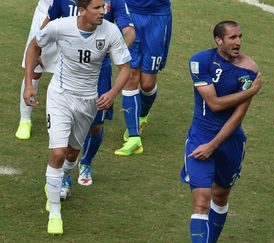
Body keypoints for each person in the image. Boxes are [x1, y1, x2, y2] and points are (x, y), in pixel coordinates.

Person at [23, 0, 131, 235]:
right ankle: (54, 212)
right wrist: (29, 85)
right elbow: (33, 46)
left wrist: (112, 93)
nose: (103, 11)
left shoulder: (110, 32)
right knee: (58, 152)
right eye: (97, 8)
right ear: (82, 10)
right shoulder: (61, 26)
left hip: (87, 101)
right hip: (60, 96)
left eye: (104, 7)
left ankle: (61, 179)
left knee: (72, 153)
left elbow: (125, 67)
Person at [180, 21, 263, 243]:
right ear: (219, 40)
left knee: (220, 195)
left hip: (230, 141)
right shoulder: (200, 61)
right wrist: (251, 91)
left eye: (240, 37)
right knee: (200, 200)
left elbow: (238, 116)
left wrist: (214, 145)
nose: (238, 42)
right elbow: (215, 104)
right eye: (232, 38)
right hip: (200, 137)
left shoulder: (249, 70)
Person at [45, 0, 135, 198]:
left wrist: (116, 49)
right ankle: (65, 176)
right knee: (66, 128)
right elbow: (47, 25)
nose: (101, 11)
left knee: (96, 125)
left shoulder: (115, 4)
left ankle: (85, 163)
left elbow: (129, 31)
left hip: (99, 71)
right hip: (70, 70)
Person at [114, 0, 172, 156]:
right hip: (130, 13)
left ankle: (142, 116)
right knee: (131, 74)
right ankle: (134, 138)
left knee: (147, 84)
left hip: (158, 17)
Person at [15, 0, 55, 140]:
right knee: (34, 69)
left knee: (72, 70)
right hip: (46, 15)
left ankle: (66, 121)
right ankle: (25, 120)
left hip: (75, 19)